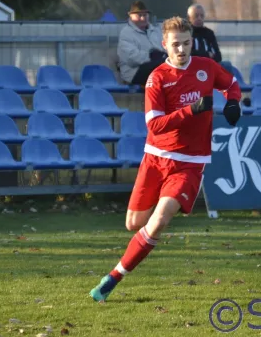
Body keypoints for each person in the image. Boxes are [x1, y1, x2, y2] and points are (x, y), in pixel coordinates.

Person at [90, 16, 242, 302]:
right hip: (156, 158)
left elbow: (231, 83)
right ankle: (135, 251)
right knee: (134, 224)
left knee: (159, 221)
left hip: (190, 162)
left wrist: (232, 101)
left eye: (187, 44)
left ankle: (113, 277)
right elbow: (155, 125)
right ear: (165, 45)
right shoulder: (157, 77)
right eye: (176, 45)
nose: (183, 50)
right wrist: (192, 110)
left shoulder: (206, 67)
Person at [117, 0, 166, 86]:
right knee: (160, 66)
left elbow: (164, 47)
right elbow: (131, 58)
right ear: (131, 16)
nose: (143, 18)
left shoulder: (155, 31)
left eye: (145, 15)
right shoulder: (126, 33)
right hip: (134, 72)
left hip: (156, 66)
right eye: (139, 15)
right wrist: (150, 56)